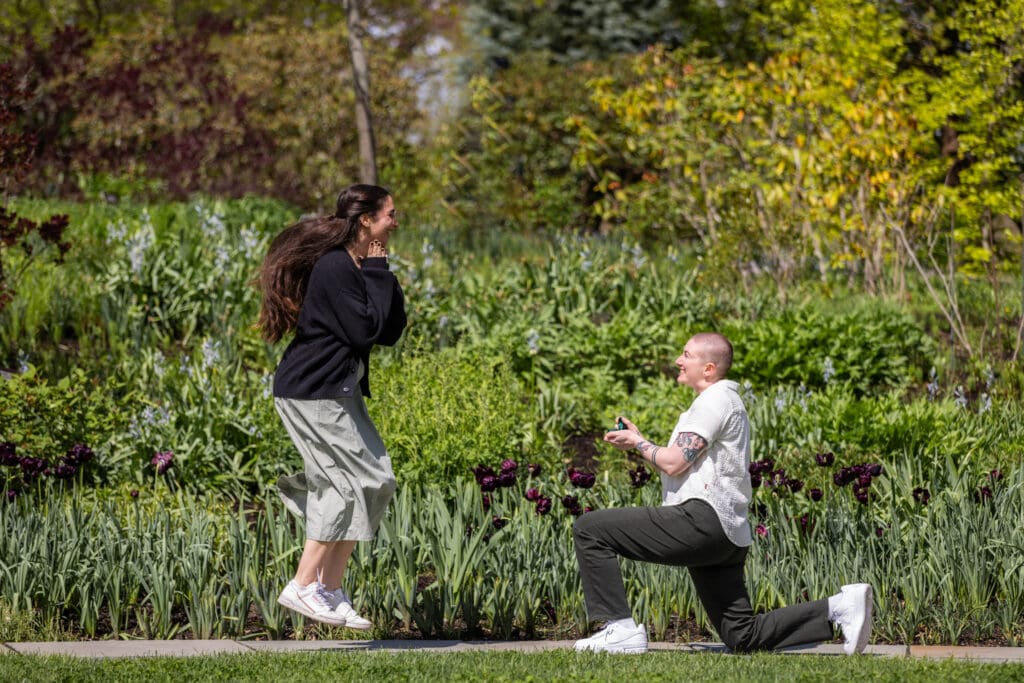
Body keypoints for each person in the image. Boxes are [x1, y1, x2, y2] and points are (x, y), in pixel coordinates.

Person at [573, 332, 872, 654]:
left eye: (686, 354)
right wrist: (640, 440)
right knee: (742, 636)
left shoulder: (714, 400)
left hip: (701, 520)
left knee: (590, 529)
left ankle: (619, 630)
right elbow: (680, 463)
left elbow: (673, 463)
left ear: (708, 368)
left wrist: (638, 444)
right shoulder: (722, 402)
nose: (678, 360)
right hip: (727, 535)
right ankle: (839, 607)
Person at [256, 183, 406, 629]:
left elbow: (388, 329)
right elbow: (363, 332)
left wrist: (381, 270)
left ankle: (330, 589)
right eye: (391, 215)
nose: (396, 222)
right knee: (342, 486)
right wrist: (376, 272)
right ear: (367, 221)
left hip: (338, 391)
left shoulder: (361, 264)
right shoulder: (336, 266)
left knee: (376, 481)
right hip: (313, 392)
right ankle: (303, 585)